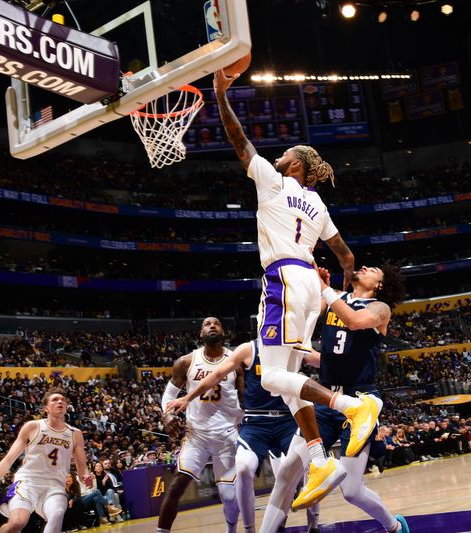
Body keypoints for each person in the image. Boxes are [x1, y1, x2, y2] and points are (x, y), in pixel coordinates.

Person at [215, 68, 380, 509]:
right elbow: (345, 256)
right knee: (289, 383)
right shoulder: (319, 203)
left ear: (296, 165)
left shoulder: (274, 179)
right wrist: (339, 290)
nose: (279, 154)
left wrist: (219, 94)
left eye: (285, 152)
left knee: (269, 377)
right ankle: (319, 458)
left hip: (283, 279)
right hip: (309, 280)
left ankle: (351, 407)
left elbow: (237, 138)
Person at [260, 263, 409, 533]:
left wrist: (326, 290)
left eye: (372, 269)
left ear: (380, 285)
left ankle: (394, 527)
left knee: (351, 491)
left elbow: (354, 321)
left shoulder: (379, 308)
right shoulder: (333, 299)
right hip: (326, 398)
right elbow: (315, 343)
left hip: (360, 400)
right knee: (287, 473)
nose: (363, 266)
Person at [167, 339, 318, 533]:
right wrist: (188, 397)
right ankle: (250, 530)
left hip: (289, 420)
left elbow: (324, 361)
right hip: (256, 422)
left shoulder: (294, 346)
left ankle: (313, 526)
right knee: (244, 468)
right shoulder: (249, 349)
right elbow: (217, 374)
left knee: (310, 466)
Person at [157, 317, 243, 533]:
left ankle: (231, 529)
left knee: (229, 496)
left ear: (224, 332)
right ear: (200, 334)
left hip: (227, 434)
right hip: (197, 435)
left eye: (216, 323)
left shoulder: (237, 360)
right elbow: (169, 396)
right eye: (207, 324)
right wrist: (167, 416)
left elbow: (245, 397)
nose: (212, 325)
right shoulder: (186, 362)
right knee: (176, 486)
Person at [0, 388, 93, 533]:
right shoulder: (33, 427)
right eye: (55, 399)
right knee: (17, 523)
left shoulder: (75, 433)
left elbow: (82, 466)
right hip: (28, 482)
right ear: (46, 408)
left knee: (56, 516)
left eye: (63, 400)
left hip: (55, 485)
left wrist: (85, 475)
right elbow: (8, 460)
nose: (60, 401)